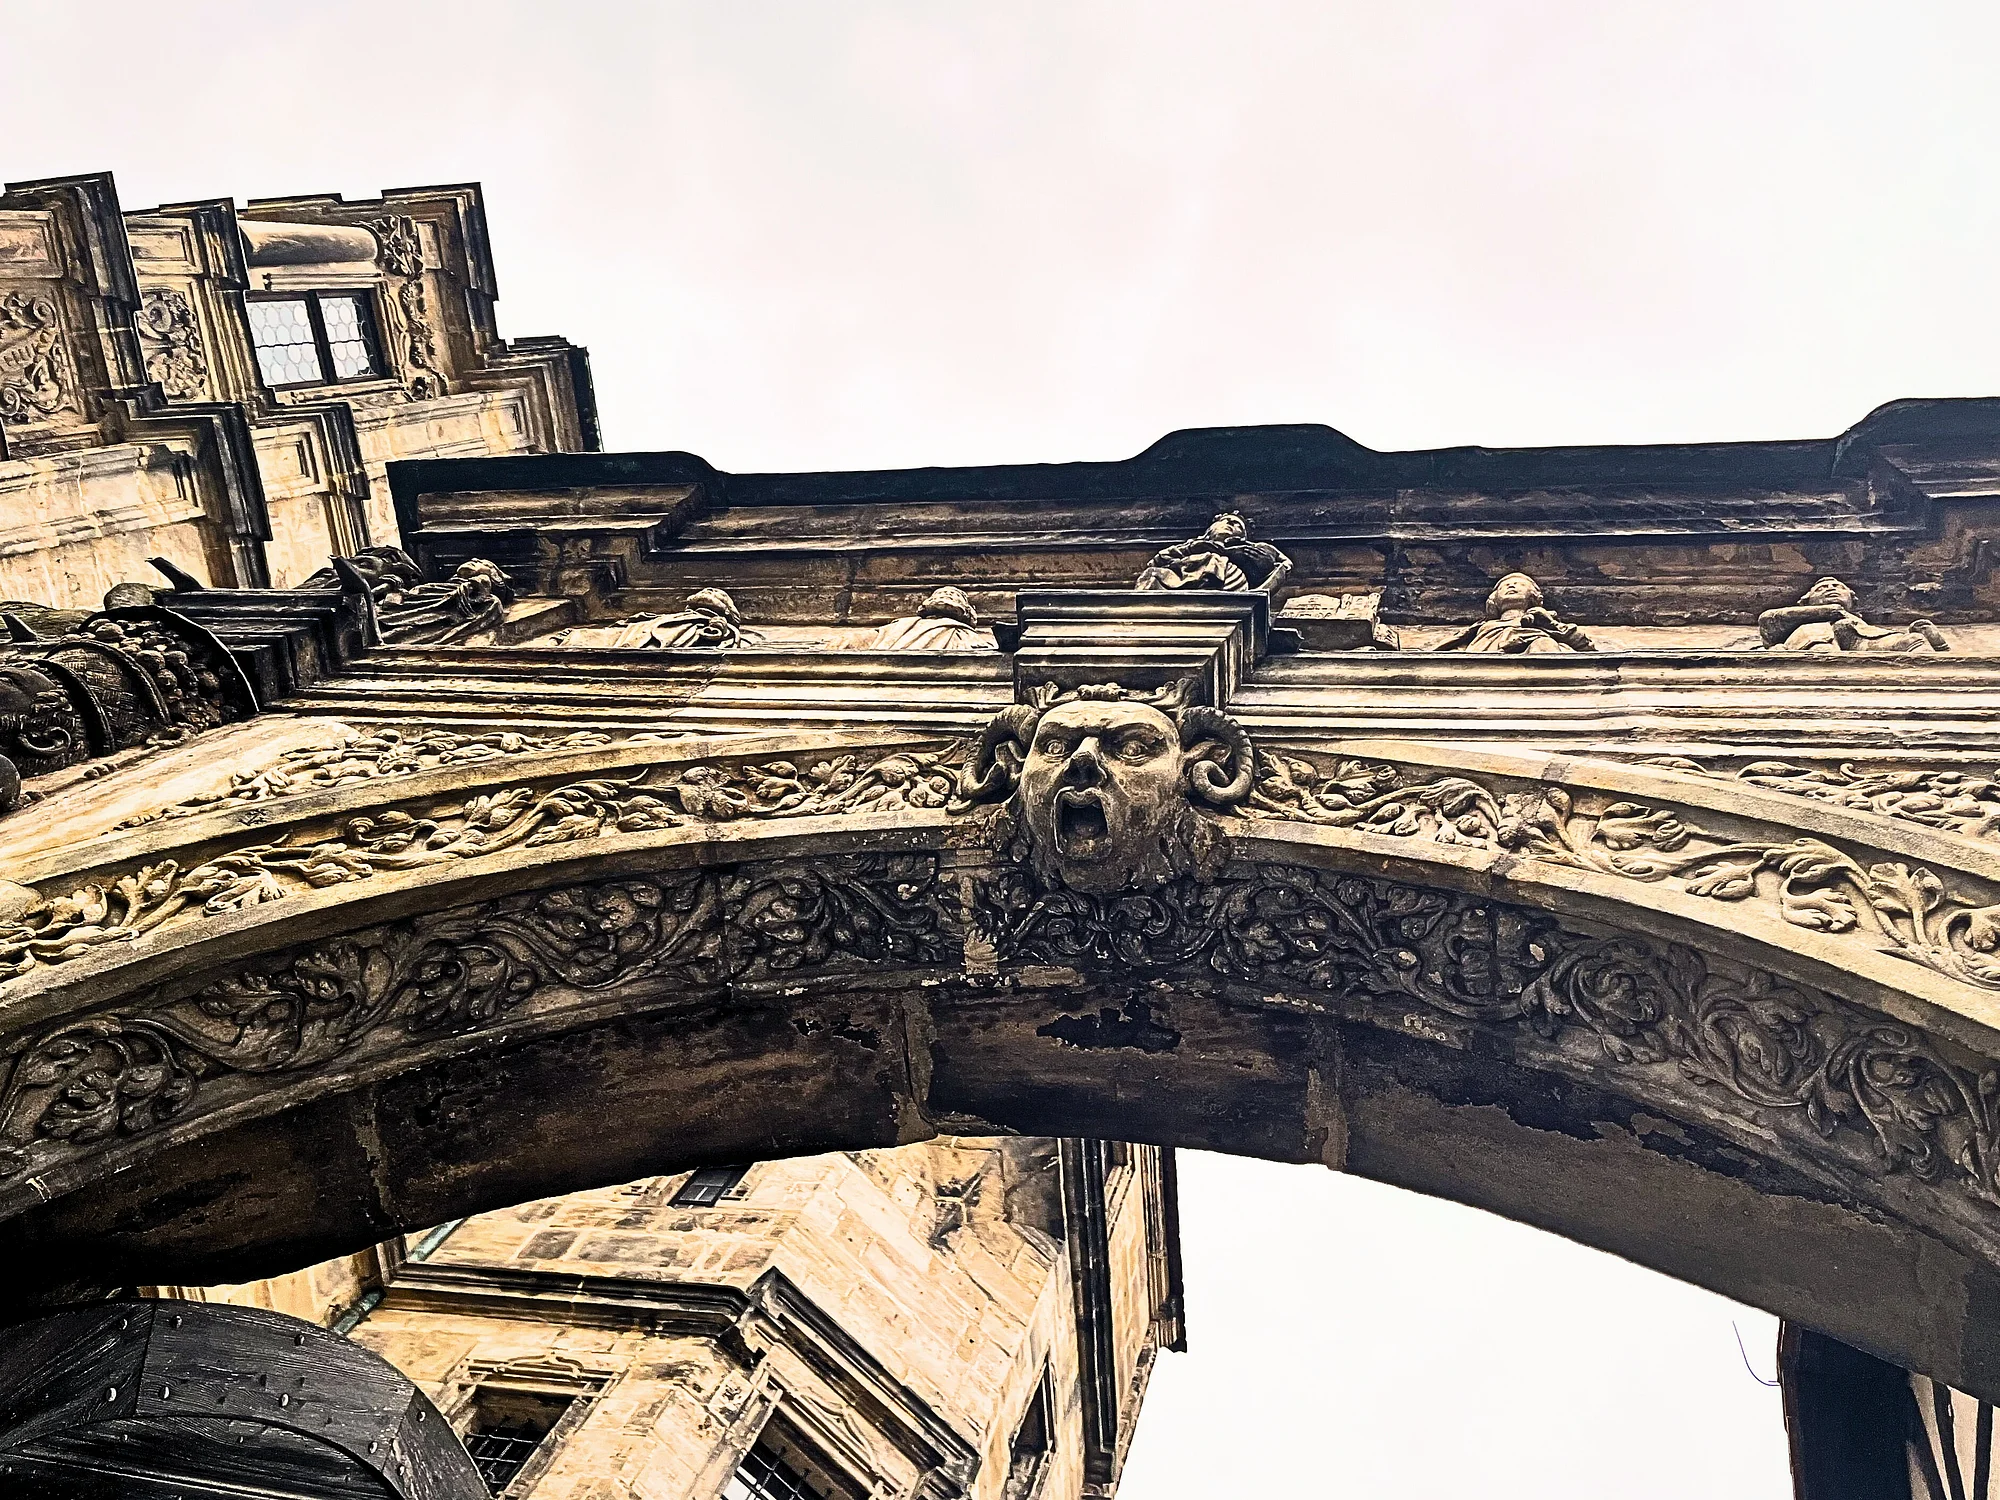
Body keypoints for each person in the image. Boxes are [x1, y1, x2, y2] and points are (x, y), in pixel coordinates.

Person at [1757, 577, 1948, 653]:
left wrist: (1937, 643)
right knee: (1818, 644)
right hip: (1815, 639)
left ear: (1852, 599)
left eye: (1838, 587)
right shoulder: (1795, 617)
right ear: (1806, 600)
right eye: (1822, 588)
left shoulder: (1857, 621)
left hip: (1861, 638)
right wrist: (1828, 611)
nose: (1831, 589)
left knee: (1913, 639)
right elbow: (1768, 621)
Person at [1434, 573, 1595, 654]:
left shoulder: (1542, 619)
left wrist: (1550, 625)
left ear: (1533, 596)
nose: (1512, 586)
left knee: (1543, 644)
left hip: (1537, 666)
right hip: (1486, 667)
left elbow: (1584, 646)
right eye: (1506, 586)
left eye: (1519, 584)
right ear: (1494, 599)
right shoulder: (1483, 628)